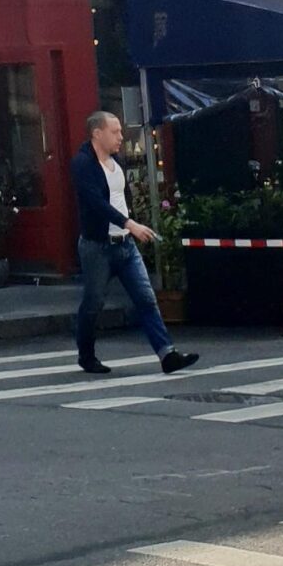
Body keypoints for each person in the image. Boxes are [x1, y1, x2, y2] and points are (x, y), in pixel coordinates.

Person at [71, 109, 196, 377]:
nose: (121, 137)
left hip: (126, 245)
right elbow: (96, 203)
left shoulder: (117, 162)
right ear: (97, 133)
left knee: (146, 299)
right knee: (93, 303)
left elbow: (120, 198)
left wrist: (131, 224)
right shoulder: (83, 164)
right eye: (115, 131)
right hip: (97, 247)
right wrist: (130, 224)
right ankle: (86, 355)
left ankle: (167, 354)